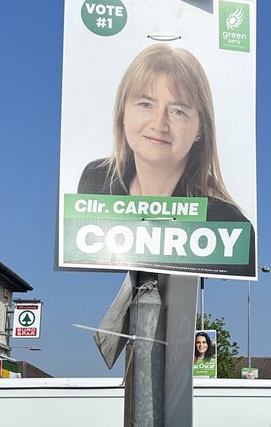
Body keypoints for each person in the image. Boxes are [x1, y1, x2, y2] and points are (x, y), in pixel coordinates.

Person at [77, 44, 255, 277]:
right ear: (123, 111)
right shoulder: (96, 180)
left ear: (201, 127)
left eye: (178, 111)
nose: (159, 124)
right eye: (145, 104)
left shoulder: (229, 225)